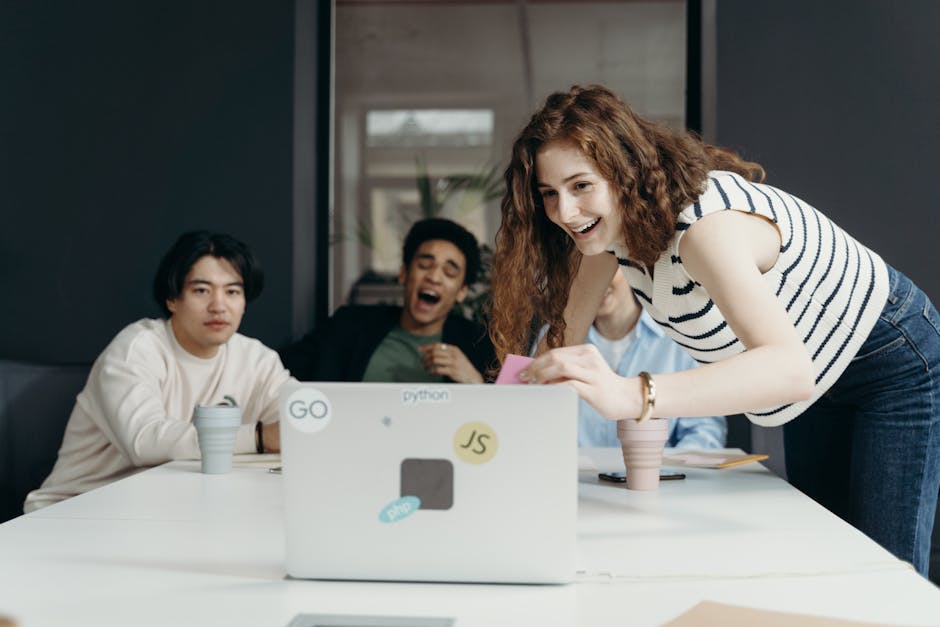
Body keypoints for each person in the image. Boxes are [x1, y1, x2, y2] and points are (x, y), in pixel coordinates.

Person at [489, 84, 940, 577]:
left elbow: (788, 370)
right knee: (830, 562)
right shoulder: (602, 239)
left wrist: (630, 395)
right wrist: (497, 442)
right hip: (818, 377)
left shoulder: (704, 229)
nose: (564, 212)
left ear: (625, 172)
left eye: (581, 186)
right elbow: (559, 343)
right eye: (549, 194)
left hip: (889, 360)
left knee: (886, 576)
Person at [24, 231, 293, 512]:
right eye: (201, 290)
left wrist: (298, 427)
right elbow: (144, 442)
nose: (218, 306)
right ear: (172, 299)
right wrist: (260, 437)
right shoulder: (136, 349)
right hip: (75, 510)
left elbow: (299, 418)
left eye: (232, 292)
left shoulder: (257, 359)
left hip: (166, 510)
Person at [280, 217, 495, 383]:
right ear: (404, 273)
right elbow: (279, 372)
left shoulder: (478, 345)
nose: (434, 277)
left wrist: (474, 381)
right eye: (424, 265)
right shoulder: (349, 326)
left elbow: (503, 415)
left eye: (449, 272)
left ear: (461, 292)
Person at [566, 270, 726, 449]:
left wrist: (668, 465)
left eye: (601, 266)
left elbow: (705, 431)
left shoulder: (680, 338)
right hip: (575, 467)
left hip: (661, 466)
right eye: (577, 270)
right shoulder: (555, 343)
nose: (595, 281)